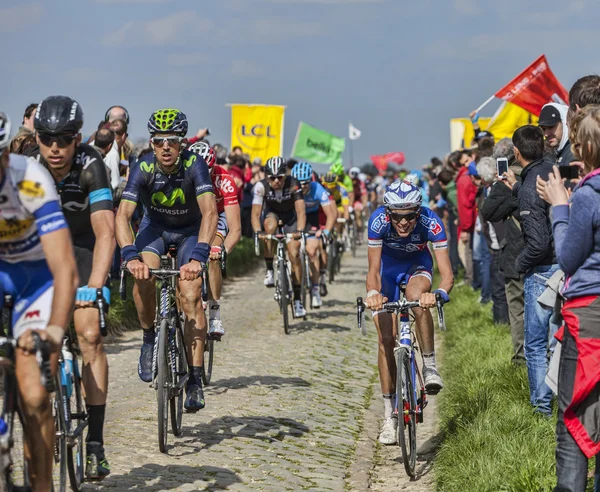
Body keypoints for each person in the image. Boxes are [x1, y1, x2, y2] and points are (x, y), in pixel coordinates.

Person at [33, 95, 115, 478]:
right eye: (47, 138)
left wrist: (95, 286)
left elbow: (104, 231)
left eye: (64, 139)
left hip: (84, 250)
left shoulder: (91, 165)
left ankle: (95, 441)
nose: (55, 148)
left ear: (77, 138)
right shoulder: (29, 170)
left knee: (89, 334)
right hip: (44, 253)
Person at [116, 109, 217, 413]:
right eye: (159, 141)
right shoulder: (143, 166)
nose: (166, 147)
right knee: (143, 277)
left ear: (181, 142)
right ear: (152, 142)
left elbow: (210, 213)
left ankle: (196, 380)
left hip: (188, 233)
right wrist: (129, 254)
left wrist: (199, 256)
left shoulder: (194, 164)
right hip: (154, 230)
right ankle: (149, 339)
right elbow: (122, 215)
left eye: (172, 141)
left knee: (190, 296)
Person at [0, 112, 78, 492]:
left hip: (35, 277)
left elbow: (65, 268)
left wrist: (54, 330)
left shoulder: (30, 178)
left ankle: (42, 483)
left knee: (33, 393)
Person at [536, 105, 600, 492]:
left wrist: (560, 206)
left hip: (589, 314)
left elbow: (569, 257)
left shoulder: (589, 195)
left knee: (574, 413)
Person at [364, 179, 453, 445]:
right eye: (397, 217)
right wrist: (373, 295)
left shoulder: (431, 222)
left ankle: (430, 366)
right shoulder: (377, 221)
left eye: (410, 216)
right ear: (387, 213)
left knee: (417, 298)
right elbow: (373, 271)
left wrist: (437, 295)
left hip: (417, 266)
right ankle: (389, 415)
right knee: (385, 339)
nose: (403, 223)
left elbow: (447, 274)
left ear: (418, 211)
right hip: (388, 271)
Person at [504, 125, 559, 417]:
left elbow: (537, 244)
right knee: (556, 341)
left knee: (536, 344)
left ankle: (541, 407)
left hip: (542, 270)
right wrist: (515, 185)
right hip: (564, 265)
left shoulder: (529, 186)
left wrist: (520, 264)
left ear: (516, 151)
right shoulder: (551, 171)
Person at [188, 141, 241, 336]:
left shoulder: (224, 179)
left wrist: (223, 252)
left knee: (212, 254)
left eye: (206, 172)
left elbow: (235, 229)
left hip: (218, 216)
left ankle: (215, 315)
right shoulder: (181, 175)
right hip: (193, 218)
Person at [481, 138, 526, 364]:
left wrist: (512, 200)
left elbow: (488, 211)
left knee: (517, 307)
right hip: (544, 250)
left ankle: (521, 359)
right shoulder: (546, 169)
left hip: (517, 249)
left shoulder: (507, 178)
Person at [251, 156, 307, 318]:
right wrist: (258, 232)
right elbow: (255, 214)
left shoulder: (293, 184)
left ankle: (297, 301)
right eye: (272, 178)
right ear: (267, 177)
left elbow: (301, 212)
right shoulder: (260, 187)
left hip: (291, 217)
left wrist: (300, 231)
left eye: (279, 177)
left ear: (285, 175)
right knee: (268, 230)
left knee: (294, 253)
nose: (276, 181)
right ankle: (269, 270)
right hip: (272, 214)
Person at [291, 162, 336, 308]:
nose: (302, 186)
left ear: (311, 181)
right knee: (291, 250)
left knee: (312, 251)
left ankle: (315, 289)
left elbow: (330, 215)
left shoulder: (317, 189)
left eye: (306, 183)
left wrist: (326, 232)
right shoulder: (290, 187)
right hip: (294, 218)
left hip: (312, 219)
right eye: (299, 183)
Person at [456, 150, 478, 286]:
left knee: (469, 253)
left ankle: (471, 281)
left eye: (467, 160)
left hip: (471, 222)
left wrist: (464, 227)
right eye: (463, 163)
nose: (466, 164)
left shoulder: (464, 179)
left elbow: (465, 205)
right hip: (473, 221)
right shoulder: (465, 177)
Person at [348, 166, 367, 240]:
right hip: (348, 200)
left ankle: (359, 233)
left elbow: (364, 194)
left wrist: (364, 205)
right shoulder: (347, 181)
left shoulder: (361, 183)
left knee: (358, 214)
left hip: (357, 200)